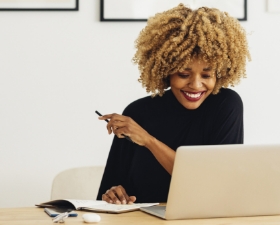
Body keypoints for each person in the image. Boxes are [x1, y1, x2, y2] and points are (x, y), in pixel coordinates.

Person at [96, 3, 251, 204]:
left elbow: (213, 184)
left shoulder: (225, 106)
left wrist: (147, 140)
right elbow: (108, 191)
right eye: (184, 74)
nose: (196, 85)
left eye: (207, 74)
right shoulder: (137, 113)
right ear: (166, 70)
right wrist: (113, 194)